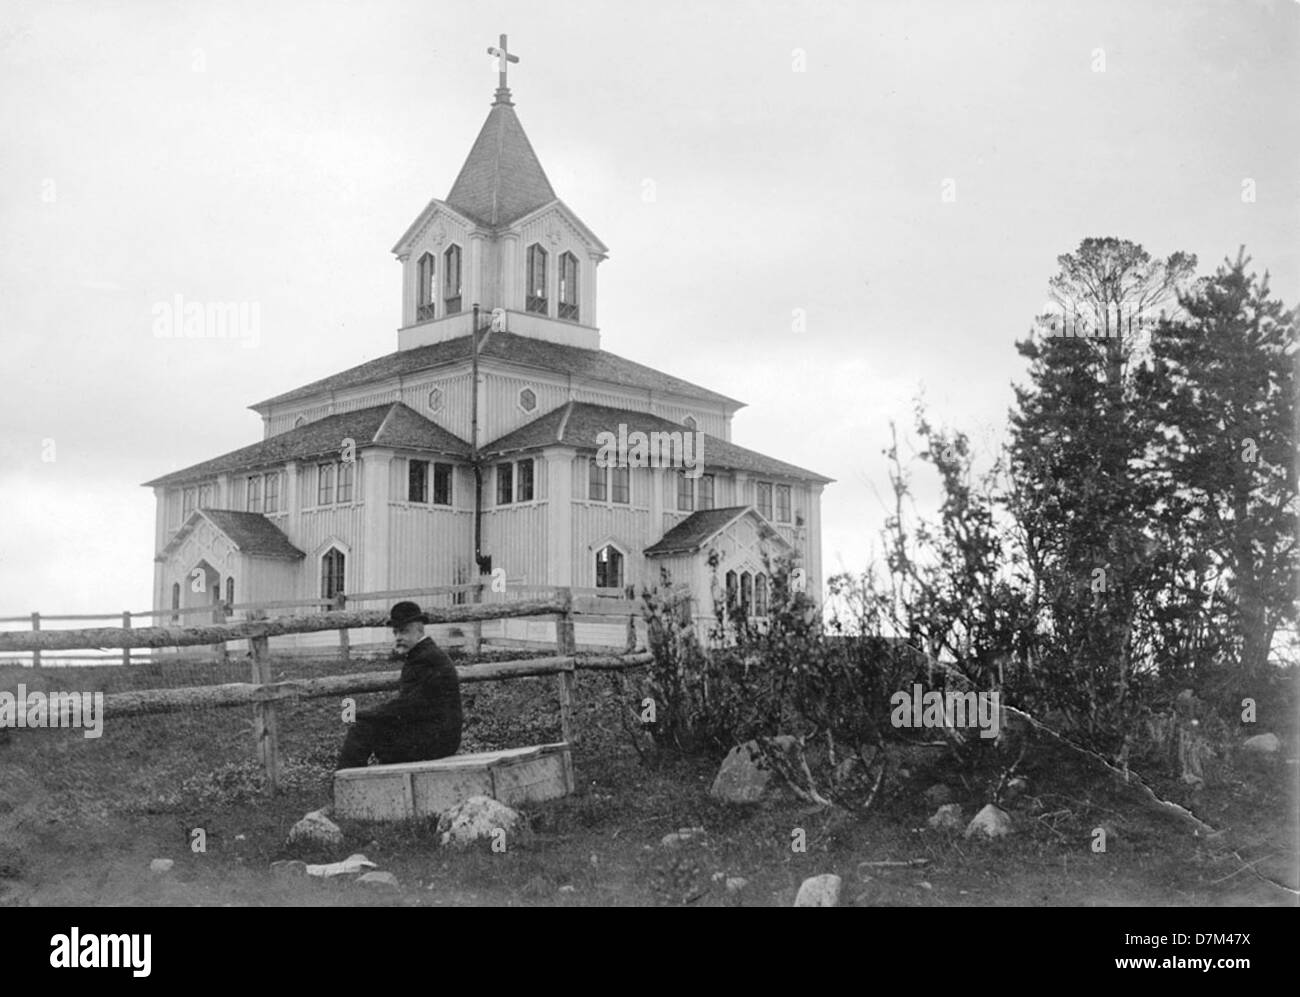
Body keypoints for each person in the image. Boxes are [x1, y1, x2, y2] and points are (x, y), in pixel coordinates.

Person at [335, 601, 462, 770]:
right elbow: (411, 707)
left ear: (419, 630)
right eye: (395, 632)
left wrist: (364, 715)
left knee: (363, 728)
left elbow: (408, 706)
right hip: (437, 734)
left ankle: (344, 785)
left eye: (404, 631)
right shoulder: (423, 654)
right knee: (374, 730)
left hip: (436, 740)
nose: (398, 638)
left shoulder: (426, 659)